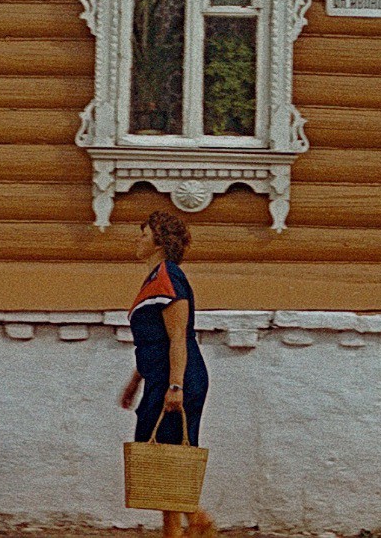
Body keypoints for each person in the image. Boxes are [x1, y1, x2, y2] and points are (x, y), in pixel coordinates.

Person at [120, 210, 215, 538]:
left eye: (143, 233)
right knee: (161, 454)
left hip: (180, 378)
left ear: (159, 240)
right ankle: (174, 531)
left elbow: (178, 337)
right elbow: (153, 341)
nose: (138, 239)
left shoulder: (169, 277)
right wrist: (135, 382)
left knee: (171, 454)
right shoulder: (154, 278)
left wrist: (175, 386)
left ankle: (199, 520)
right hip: (162, 377)